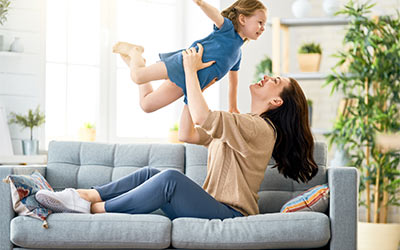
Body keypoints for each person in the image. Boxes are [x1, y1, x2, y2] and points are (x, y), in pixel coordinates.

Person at [35, 43, 318, 220]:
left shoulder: (260, 129)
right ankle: (83, 195)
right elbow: (189, 133)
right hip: (209, 206)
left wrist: (191, 73)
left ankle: (90, 209)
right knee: (151, 174)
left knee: (170, 179)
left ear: (276, 101)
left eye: (275, 80)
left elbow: (202, 116)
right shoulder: (243, 123)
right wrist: (193, 83)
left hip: (229, 214)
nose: (267, 76)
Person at [112, 0, 267, 113]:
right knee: (138, 76)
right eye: (260, 22)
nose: (263, 28)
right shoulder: (227, 30)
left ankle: (137, 61)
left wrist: (232, 106)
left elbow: (234, 82)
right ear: (242, 19)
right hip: (183, 63)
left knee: (147, 105)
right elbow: (215, 15)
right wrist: (201, 3)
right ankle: (135, 52)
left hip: (190, 82)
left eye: (264, 25)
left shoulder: (237, 54)